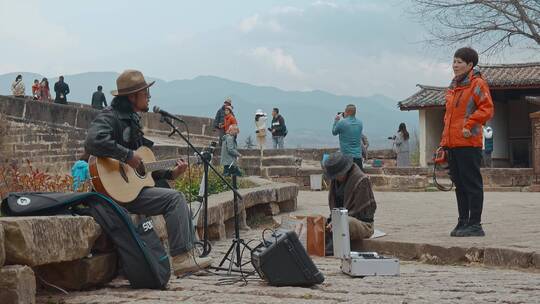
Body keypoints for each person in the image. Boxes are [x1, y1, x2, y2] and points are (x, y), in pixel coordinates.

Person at [85, 69, 212, 275]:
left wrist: (171, 174)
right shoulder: (110, 117)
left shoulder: (133, 120)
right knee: (175, 199)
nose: (149, 97)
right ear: (132, 97)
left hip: (131, 191)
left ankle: (189, 255)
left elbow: (143, 169)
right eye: (145, 93)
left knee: (178, 201)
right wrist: (127, 155)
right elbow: (93, 141)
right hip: (113, 192)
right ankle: (180, 259)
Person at [440, 47, 494, 237]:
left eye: (459, 62)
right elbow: (448, 117)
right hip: (453, 143)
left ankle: (475, 224)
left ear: (470, 65)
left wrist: (469, 124)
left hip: (468, 142)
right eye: (454, 61)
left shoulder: (477, 84)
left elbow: (487, 109)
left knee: (472, 184)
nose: (455, 65)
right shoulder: (453, 86)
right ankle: (462, 221)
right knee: (459, 184)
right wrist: (443, 142)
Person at [323, 152, 376, 255]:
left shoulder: (361, 181)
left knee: (344, 223)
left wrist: (339, 220)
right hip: (340, 219)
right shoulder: (335, 182)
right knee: (318, 222)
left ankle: (332, 248)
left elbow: (365, 214)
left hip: (362, 223)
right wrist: (332, 220)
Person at [332, 104, 363, 170]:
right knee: (357, 178)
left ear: (346, 112)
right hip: (358, 157)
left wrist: (336, 121)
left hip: (346, 157)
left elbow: (334, 132)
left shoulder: (342, 123)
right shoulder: (360, 123)